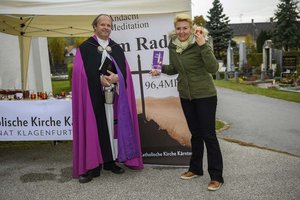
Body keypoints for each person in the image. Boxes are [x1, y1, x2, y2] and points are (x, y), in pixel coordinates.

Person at [150, 13, 224, 191]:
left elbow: (213, 68)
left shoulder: (200, 43)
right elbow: (175, 68)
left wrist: (203, 46)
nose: (182, 32)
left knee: (209, 135)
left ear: (191, 29)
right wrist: (158, 68)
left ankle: (216, 176)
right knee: (195, 134)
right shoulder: (173, 46)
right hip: (186, 96)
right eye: (178, 28)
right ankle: (195, 169)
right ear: (175, 30)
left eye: (185, 28)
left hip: (205, 95)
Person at [72, 14, 143, 183]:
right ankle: (92, 166)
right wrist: (98, 80)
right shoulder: (85, 48)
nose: (105, 27)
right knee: (93, 128)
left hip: (113, 98)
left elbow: (125, 72)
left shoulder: (116, 48)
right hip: (92, 99)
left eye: (108, 25)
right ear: (95, 27)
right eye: (102, 24)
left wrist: (117, 78)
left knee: (112, 128)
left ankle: (110, 161)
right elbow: (79, 74)